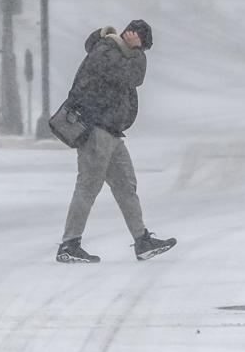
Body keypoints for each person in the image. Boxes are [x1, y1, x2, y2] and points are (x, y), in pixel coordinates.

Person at [56, 18, 177, 263]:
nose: (141, 53)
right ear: (133, 38)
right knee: (88, 186)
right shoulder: (106, 52)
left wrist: (133, 51)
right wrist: (135, 51)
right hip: (97, 131)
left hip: (111, 132)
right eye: (142, 47)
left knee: (126, 186)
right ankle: (69, 245)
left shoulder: (115, 54)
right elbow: (134, 77)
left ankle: (142, 241)